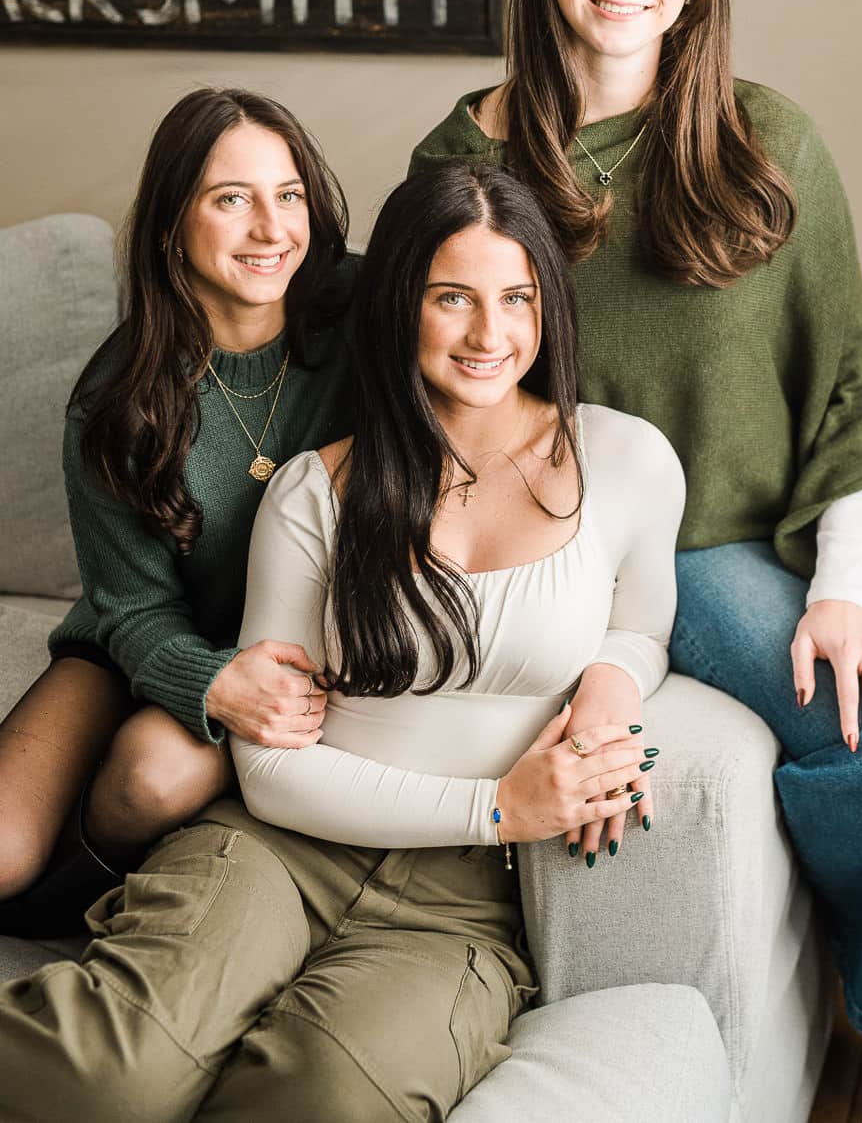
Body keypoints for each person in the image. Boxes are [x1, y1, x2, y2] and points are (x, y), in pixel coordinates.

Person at [408, 0, 862, 1123]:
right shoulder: (468, 171)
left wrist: (845, 584)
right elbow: (431, 378)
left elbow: (847, 368)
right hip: (681, 541)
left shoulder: (764, 136)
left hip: (846, 486)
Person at [0, 161, 683, 1121]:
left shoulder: (629, 460)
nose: (491, 336)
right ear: (401, 303)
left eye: (518, 297)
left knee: (322, 1098)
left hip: (458, 908)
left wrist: (614, 675)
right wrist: (498, 807)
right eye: (453, 298)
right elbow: (272, 772)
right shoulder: (316, 488)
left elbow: (643, 617)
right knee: (104, 1074)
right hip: (278, 845)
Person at [0, 87, 354, 936]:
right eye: (232, 200)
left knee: (155, 777)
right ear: (172, 226)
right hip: (140, 639)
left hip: (290, 643)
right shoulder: (117, 399)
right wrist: (213, 680)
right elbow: (130, 607)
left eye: (289, 194)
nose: (272, 230)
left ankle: (66, 917)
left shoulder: (368, 319)